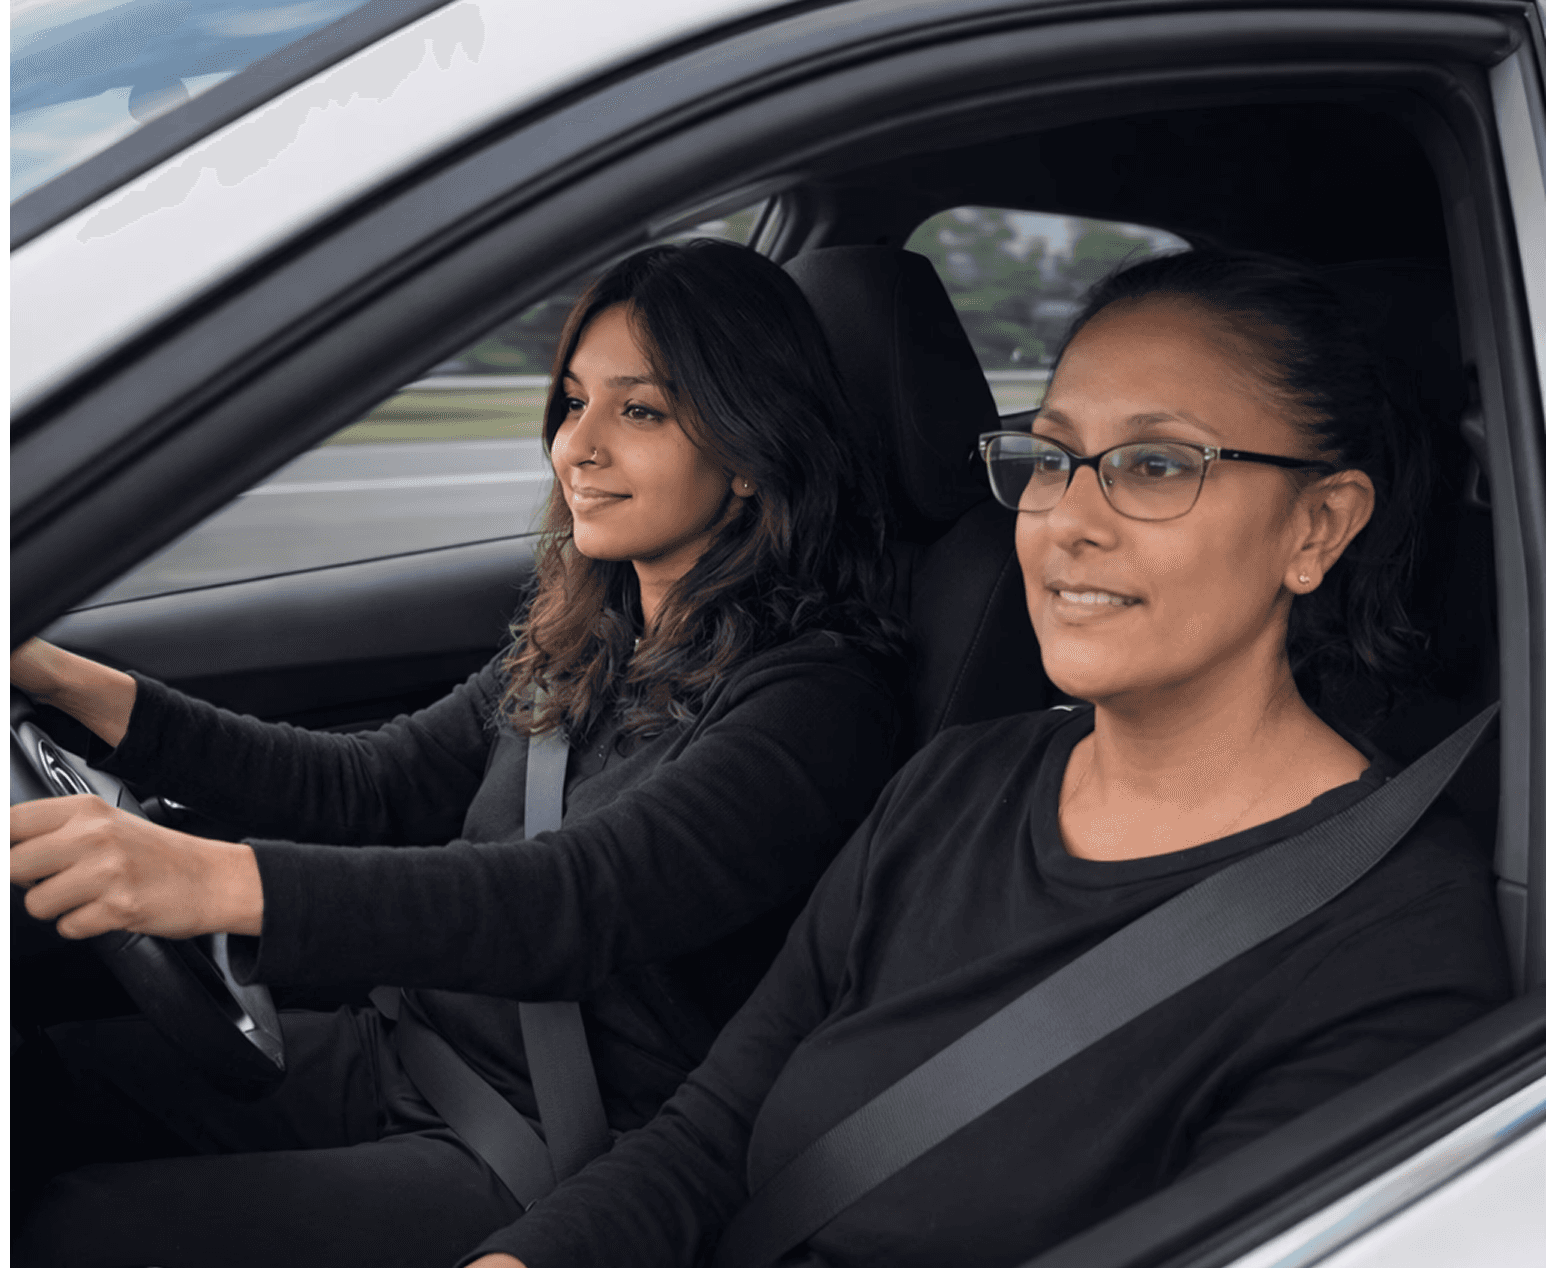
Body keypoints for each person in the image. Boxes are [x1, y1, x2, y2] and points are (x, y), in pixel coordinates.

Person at [451, 248, 1512, 1268]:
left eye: (1153, 464)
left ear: (1317, 527)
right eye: (1048, 457)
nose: (1067, 520)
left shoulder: (1388, 943)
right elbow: (709, 1135)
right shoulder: (954, 783)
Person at [9, 239, 905, 1267]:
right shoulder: (592, 633)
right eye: (572, 401)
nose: (578, 446)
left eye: (640, 410)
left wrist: (218, 882)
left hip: (535, 1150)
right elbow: (371, 782)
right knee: (31, 1094)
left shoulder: (817, 703)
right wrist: (73, 682)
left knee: (68, 1228)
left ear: (749, 451)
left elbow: (570, 897)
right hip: (398, 1053)